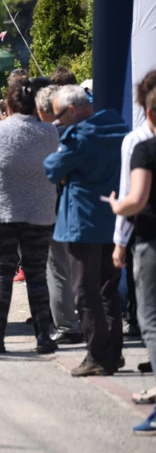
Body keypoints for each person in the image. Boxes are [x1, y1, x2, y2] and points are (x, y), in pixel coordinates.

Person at [44, 85, 128, 376]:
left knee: (83, 292)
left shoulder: (79, 137)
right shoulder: (117, 127)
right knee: (108, 289)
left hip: (81, 223)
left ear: (71, 110)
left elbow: (52, 168)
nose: (56, 122)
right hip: (112, 218)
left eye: (58, 116)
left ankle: (97, 355)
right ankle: (113, 353)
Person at [0, 79, 60, 354]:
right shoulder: (49, 132)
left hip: (1, 211)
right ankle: (43, 337)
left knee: (1, 275)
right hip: (38, 212)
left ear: (9, 106)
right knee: (37, 275)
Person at [109, 87, 156, 434]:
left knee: (151, 321)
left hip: (151, 242)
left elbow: (134, 199)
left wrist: (117, 209)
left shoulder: (143, 147)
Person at [34, 84, 83, 344]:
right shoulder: (85, 131)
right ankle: (83, 320)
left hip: (58, 208)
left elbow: (50, 172)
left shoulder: (50, 135)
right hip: (86, 209)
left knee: (58, 268)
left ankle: (67, 325)